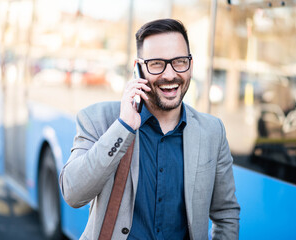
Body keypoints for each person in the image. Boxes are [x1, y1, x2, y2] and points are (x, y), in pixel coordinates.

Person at [59, 18, 240, 240]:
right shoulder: (98, 119)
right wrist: (123, 127)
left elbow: (226, 212)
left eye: (179, 62)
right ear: (138, 68)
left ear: (191, 65)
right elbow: (73, 193)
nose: (170, 74)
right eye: (156, 63)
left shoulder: (213, 132)